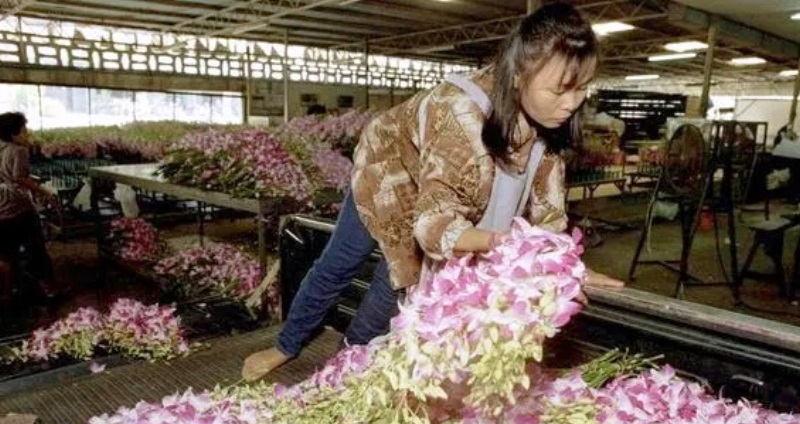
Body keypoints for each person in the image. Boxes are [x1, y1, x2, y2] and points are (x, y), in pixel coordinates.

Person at [242, 1, 622, 381]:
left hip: (442, 188)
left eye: (583, 89)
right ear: (520, 74)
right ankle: (285, 345)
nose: (572, 103)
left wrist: (565, 265)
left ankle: (346, 367)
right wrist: (506, 244)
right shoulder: (459, 114)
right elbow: (434, 227)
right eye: (560, 90)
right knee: (345, 265)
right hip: (387, 173)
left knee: (392, 293)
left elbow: (548, 213)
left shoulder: (547, 124)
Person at [0, 111, 60, 303]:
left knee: (6, 253)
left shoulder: (1, 148)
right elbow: (19, 177)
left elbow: (8, 174)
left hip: (1, 207)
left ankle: (6, 294)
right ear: (14, 134)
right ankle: (49, 290)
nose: (27, 134)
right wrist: (45, 191)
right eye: (24, 130)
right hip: (18, 206)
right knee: (36, 249)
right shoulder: (19, 150)